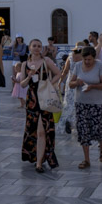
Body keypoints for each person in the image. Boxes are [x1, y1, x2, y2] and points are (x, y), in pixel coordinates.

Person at [20, 39, 61, 173]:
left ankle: (39, 163)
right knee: (32, 130)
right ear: (30, 48)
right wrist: (29, 76)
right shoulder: (25, 64)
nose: (37, 48)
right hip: (32, 99)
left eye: (39, 46)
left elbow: (58, 73)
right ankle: (37, 157)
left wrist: (49, 83)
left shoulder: (46, 61)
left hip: (44, 98)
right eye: (34, 46)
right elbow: (22, 84)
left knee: (42, 131)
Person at [68, 45, 102, 167]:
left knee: (98, 128)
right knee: (83, 130)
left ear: (94, 58)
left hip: (96, 103)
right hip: (81, 102)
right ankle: (87, 159)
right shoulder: (78, 66)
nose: (87, 62)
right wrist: (77, 82)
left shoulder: (99, 66)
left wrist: (92, 86)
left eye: (89, 59)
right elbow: (70, 84)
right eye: (85, 59)